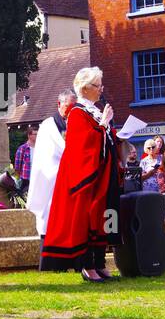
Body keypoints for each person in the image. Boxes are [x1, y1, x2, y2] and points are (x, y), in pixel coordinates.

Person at [41, 66, 122, 281]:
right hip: (87, 178)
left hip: (104, 174)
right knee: (89, 220)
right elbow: (82, 145)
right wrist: (103, 125)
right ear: (85, 88)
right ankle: (88, 266)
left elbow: (104, 137)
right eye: (97, 86)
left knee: (105, 218)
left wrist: (113, 133)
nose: (101, 90)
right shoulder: (77, 113)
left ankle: (101, 263)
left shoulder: (94, 111)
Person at [26, 90, 75, 238]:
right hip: (52, 182)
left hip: (72, 183)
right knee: (49, 227)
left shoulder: (77, 122)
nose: (71, 110)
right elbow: (45, 158)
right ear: (59, 104)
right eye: (68, 106)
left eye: (75, 106)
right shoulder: (48, 126)